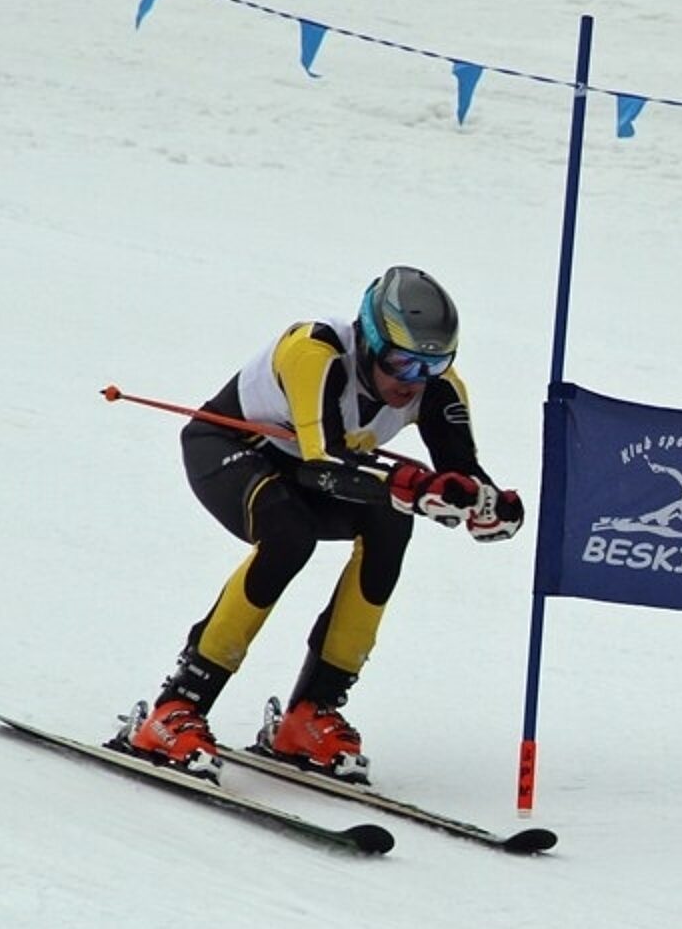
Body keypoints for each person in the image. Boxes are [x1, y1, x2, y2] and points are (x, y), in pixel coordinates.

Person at [124, 266, 524, 784]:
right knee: (288, 534)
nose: (413, 381)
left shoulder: (439, 388)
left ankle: (312, 712)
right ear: (371, 342)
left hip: (310, 467)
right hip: (231, 450)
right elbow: (323, 462)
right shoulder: (316, 353)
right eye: (402, 362)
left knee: (391, 521)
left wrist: (487, 505)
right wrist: (413, 486)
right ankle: (177, 705)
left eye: (433, 364)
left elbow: (461, 472)